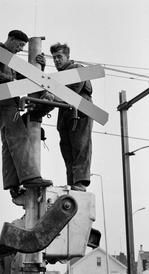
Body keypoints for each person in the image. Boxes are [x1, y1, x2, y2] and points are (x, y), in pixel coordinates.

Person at [0, 30, 53, 199]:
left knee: (9, 141)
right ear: (11, 40)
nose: (21, 49)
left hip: (3, 102)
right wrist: (10, 79)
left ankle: (13, 185)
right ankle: (30, 177)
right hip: (0, 100)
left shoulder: (11, 61)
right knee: (19, 136)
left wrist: (40, 66)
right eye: (20, 45)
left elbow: (29, 77)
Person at [45, 42, 93, 192]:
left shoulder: (77, 69)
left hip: (80, 111)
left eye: (59, 57)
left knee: (80, 145)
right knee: (67, 150)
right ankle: (72, 183)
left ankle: (81, 182)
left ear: (67, 57)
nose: (56, 60)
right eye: (54, 58)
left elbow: (74, 91)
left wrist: (53, 96)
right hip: (65, 114)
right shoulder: (58, 77)